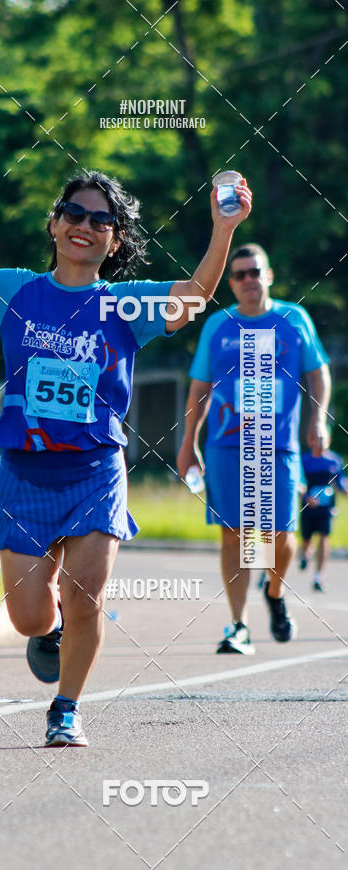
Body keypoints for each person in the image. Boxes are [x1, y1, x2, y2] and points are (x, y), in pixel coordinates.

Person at [0, 166, 251, 746]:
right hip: (24, 472)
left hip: (94, 470)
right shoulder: (17, 291)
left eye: (100, 220)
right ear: (55, 223)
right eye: (73, 214)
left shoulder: (124, 306)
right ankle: (52, 630)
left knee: (87, 594)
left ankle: (66, 707)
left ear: (115, 240)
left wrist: (223, 228)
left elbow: (191, 297)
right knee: (30, 618)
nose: (84, 226)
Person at [177, 243, 331, 654]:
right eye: (240, 274)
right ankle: (237, 625)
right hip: (227, 446)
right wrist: (188, 442)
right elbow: (199, 389)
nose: (248, 280)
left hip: (279, 447)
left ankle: (276, 592)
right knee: (236, 537)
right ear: (230, 283)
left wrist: (317, 420)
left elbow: (319, 375)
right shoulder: (218, 325)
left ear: (269, 275)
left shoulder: (293, 319)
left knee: (279, 535)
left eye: (255, 271)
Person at [299, 447, 347, 591]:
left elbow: (340, 482)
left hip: (326, 509)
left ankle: (318, 577)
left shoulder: (334, 460)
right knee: (307, 539)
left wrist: (344, 491)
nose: (319, 442)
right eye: (316, 439)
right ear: (311, 440)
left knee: (324, 538)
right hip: (308, 508)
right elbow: (299, 482)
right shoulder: (305, 460)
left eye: (323, 439)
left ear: (328, 441)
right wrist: (306, 497)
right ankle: (305, 554)